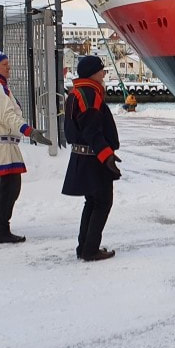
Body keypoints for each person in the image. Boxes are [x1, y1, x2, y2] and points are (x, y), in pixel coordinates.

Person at [0, 49, 52, 244]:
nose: (8, 67)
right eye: (4, 64)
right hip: (1, 145)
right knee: (10, 186)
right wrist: (28, 131)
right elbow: (8, 116)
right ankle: (1, 229)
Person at [61, 56, 122, 262]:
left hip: (82, 156)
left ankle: (84, 246)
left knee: (92, 202)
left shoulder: (76, 93)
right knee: (102, 202)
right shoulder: (90, 94)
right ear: (93, 73)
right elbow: (91, 130)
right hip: (93, 158)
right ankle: (90, 249)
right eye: (101, 70)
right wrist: (107, 156)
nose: (103, 74)